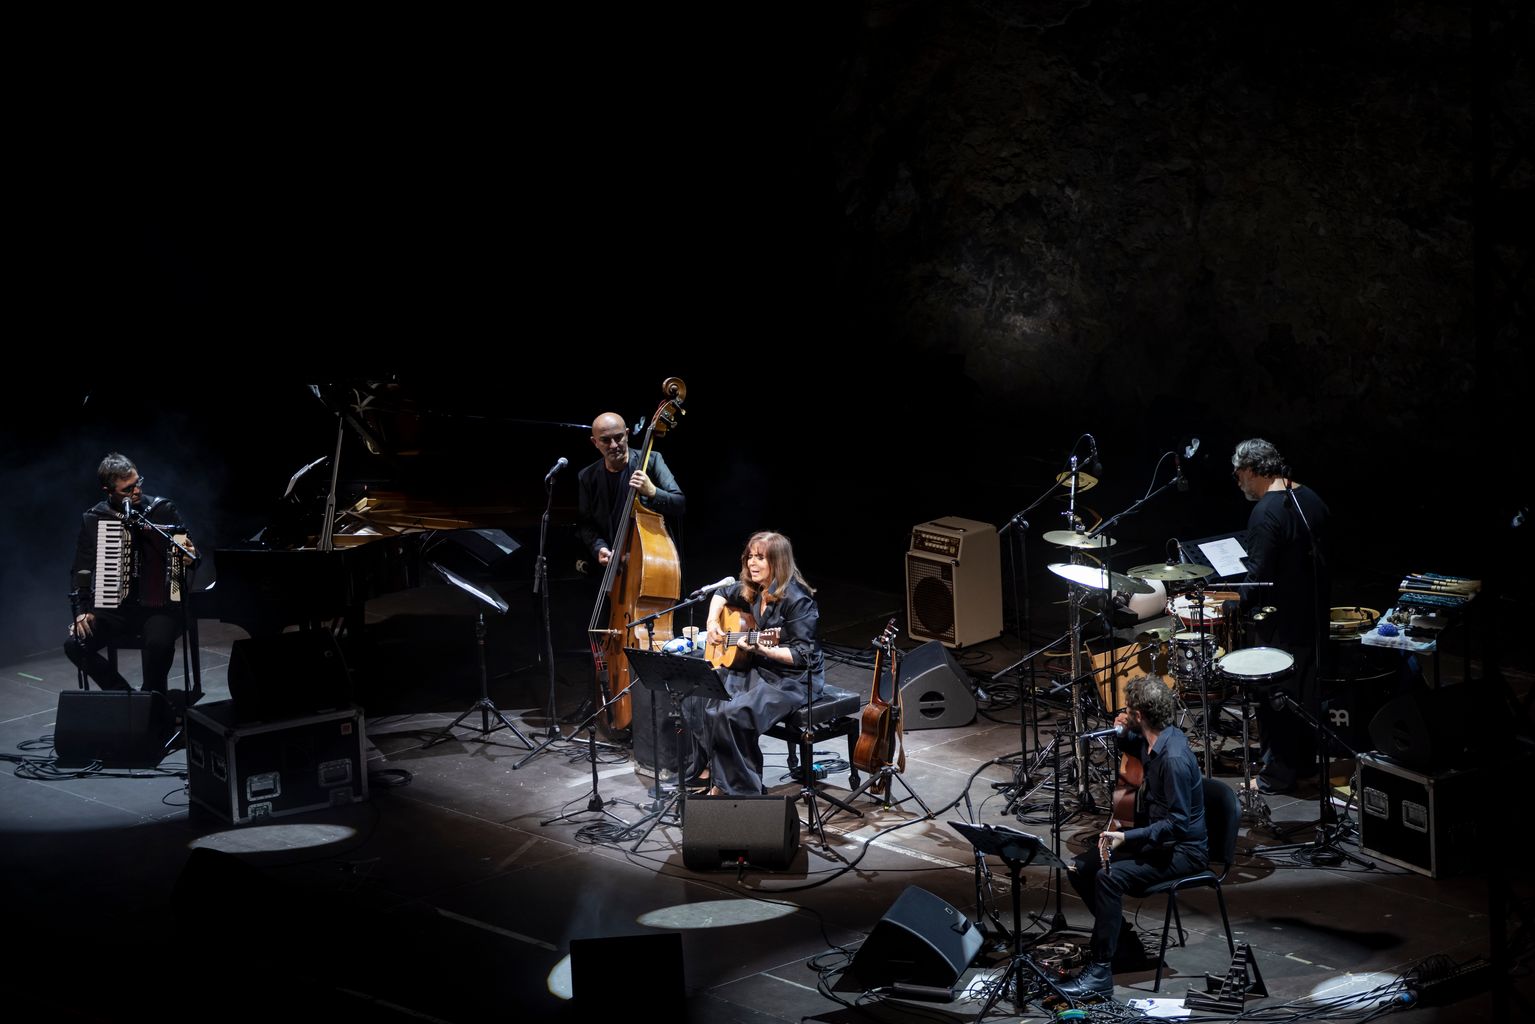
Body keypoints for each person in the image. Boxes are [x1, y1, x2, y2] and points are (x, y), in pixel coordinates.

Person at [1061, 676, 1207, 998]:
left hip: (1183, 852)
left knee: (1109, 878)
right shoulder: (1156, 740)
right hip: (1158, 842)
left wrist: (1128, 838)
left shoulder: (1174, 759)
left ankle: (1100, 972)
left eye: (1129, 710)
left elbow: (1179, 825)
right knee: (1082, 867)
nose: (1125, 712)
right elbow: (1134, 746)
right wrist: (1122, 731)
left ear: (1140, 715)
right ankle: (1125, 947)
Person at [681, 531, 824, 796]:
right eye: (750, 557)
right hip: (760, 669)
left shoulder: (798, 600)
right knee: (700, 698)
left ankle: (741, 792)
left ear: (777, 562)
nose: (752, 564)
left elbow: (802, 656)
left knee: (733, 714)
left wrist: (762, 648)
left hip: (793, 680)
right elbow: (723, 592)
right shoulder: (755, 589)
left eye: (760, 558)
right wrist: (712, 623)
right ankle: (713, 775)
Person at [1231, 437, 1330, 795]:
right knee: (1305, 694)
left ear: (1254, 470)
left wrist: (1230, 607)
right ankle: (1304, 768)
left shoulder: (1265, 512)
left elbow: (1258, 575)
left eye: (1239, 473)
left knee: (1276, 697)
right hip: (1312, 616)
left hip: (1279, 622)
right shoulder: (1312, 499)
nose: (1238, 480)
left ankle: (1277, 775)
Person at [65, 453, 197, 696]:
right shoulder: (95, 518)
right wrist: (84, 609)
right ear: (108, 490)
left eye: (138, 483)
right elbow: (82, 568)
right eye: (127, 489)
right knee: (75, 645)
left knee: (158, 643)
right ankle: (125, 696)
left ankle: (152, 697)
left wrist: (189, 557)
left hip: (160, 607)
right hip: (114, 608)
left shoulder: (162, 510)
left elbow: (188, 552)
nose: (136, 490)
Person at [575, 411, 685, 569]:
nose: (613, 445)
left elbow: (679, 504)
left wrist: (653, 491)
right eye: (605, 440)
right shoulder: (587, 476)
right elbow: (586, 524)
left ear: (627, 434)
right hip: (612, 567)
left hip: (651, 559)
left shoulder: (652, 461)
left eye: (618, 437)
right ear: (595, 442)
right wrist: (599, 548)